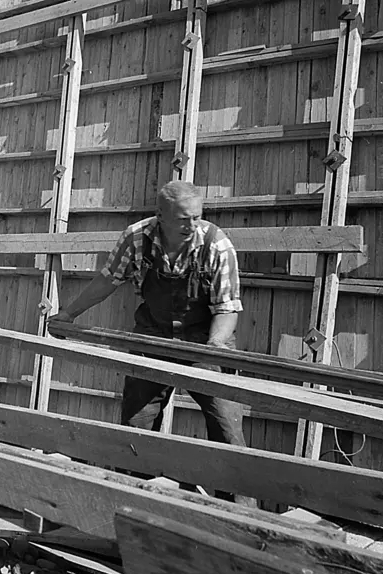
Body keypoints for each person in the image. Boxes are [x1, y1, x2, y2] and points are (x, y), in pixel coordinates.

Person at [51, 181, 250, 452]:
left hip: (204, 341)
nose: (191, 227)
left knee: (227, 428)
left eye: (196, 217)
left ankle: (236, 493)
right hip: (152, 338)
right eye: (182, 220)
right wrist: (68, 314)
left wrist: (215, 346)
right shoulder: (137, 238)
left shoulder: (216, 245)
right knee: (136, 427)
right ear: (160, 216)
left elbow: (227, 308)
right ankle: (139, 487)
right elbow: (107, 280)